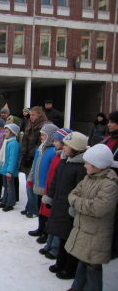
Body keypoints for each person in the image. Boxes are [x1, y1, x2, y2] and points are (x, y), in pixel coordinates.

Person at [65, 144, 118, 291]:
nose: (85, 165)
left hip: (96, 234)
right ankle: (77, 287)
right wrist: (79, 201)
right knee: (82, 262)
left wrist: (77, 202)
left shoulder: (109, 184)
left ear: (98, 165)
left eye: (87, 163)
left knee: (93, 267)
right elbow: (73, 193)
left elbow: (98, 208)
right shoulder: (89, 178)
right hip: (84, 230)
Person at [42, 132, 88, 280]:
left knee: (70, 238)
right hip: (59, 203)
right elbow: (55, 180)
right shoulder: (64, 161)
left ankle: (70, 268)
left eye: (67, 145)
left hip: (70, 207)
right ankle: (60, 262)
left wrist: (74, 207)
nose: (64, 147)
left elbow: (81, 190)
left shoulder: (81, 167)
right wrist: (50, 195)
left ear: (75, 148)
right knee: (62, 236)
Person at [38, 128, 73, 260]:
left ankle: (55, 248)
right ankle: (49, 244)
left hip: (60, 196)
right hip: (52, 191)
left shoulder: (62, 158)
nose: (54, 143)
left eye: (57, 141)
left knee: (58, 223)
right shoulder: (57, 155)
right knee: (52, 220)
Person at [26, 124, 59, 238]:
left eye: (44, 135)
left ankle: (46, 232)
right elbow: (34, 165)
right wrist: (31, 178)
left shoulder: (53, 151)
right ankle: (40, 228)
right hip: (39, 184)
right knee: (41, 208)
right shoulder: (39, 149)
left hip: (47, 187)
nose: (41, 137)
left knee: (46, 210)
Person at [19, 106, 48, 216]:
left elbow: (40, 143)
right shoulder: (29, 124)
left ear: (39, 115)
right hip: (28, 156)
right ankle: (30, 205)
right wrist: (24, 153)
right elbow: (25, 139)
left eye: (33, 115)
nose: (31, 117)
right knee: (28, 183)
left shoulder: (43, 126)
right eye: (30, 114)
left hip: (35, 157)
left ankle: (34, 208)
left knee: (33, 184)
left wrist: (30, 154)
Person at [99, 110, 118, 260]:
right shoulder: (107, 139)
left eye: (112, 122)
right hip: (103, 182)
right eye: (109, 122)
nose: (109, 125)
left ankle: (114, 247)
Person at [0, 123, 21, 211]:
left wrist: (9, 171)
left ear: (12, 133)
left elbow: (12, 159)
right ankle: (4, 201)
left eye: (6, 132)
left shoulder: (13, 144)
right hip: (4, 169)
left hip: (9, 171)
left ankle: (10, 203)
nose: (4, 133)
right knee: (5, 186)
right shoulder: (6, 142)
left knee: (10, 187)